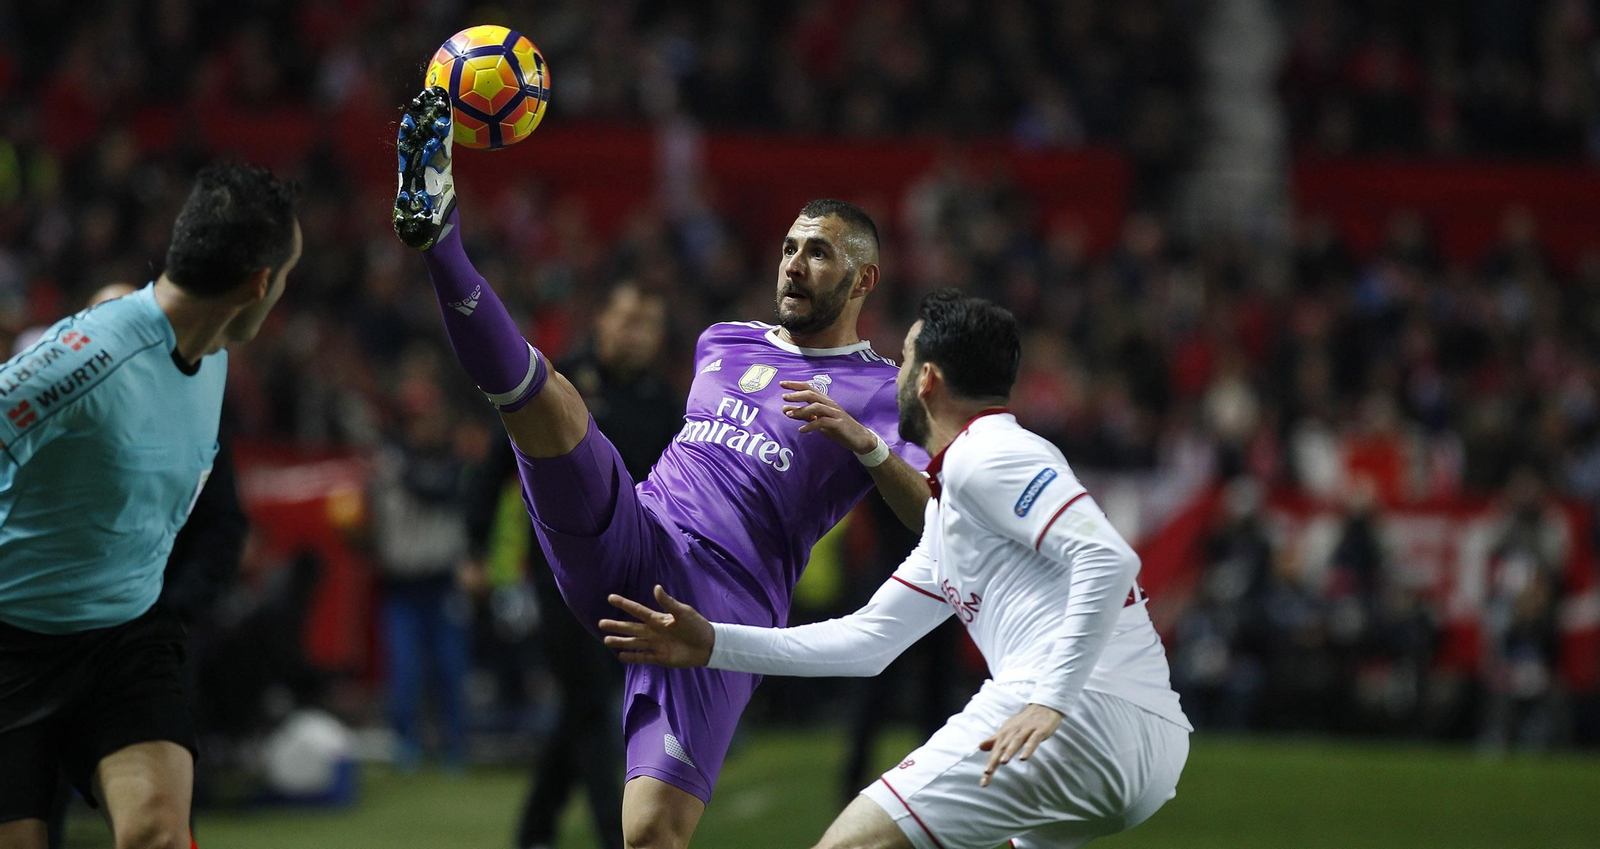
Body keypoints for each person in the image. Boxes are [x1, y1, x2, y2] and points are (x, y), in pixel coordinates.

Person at [392, 86, 930, 848]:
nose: (795, 263)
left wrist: (864, 442)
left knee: (649, 832)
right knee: (551, 402)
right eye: (788, 247)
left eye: (818, 251)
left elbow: (928, 515)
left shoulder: (881, 389)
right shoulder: (724, 341)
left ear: (863, 279)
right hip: (637, 536)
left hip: (722, 612)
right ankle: (441, 242)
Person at [602, 290, 1192, 849]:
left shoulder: (986, 454)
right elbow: (868, 642)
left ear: (927, 380)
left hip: (1072, 712)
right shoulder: (955, 506)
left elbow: (1108, 557)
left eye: (905, 360)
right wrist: (711, 645)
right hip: (1146, 747)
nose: (894, 375)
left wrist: (1051, 701)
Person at [0, 162, 300, 849]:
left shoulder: (211, 351)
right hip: (11, 641)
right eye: (287, 276)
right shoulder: (88, 358)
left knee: (158, 834)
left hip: (127, 636)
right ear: (260, 283)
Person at [462, 280, 682, 849]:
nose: (635, 334)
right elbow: (492, 466)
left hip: (632, 577)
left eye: (647, 323)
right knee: (590, 704)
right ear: (602, 320)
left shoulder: (663, 405)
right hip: (560, 571)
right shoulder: (556, 381)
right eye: (627, 317)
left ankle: (535, 829)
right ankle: (616, 835)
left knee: (581, 709)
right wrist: (474, 549)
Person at [37, 283, 249, 848]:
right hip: (50, 637)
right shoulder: (54, 406)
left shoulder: (195, 406)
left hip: (147, 639)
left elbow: (223, 527)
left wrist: (172, 611)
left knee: (163, 819)